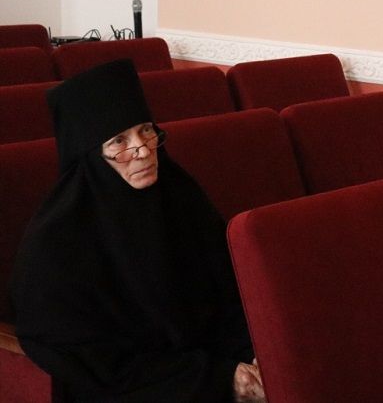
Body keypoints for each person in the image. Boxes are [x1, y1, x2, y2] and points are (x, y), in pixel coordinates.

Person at [11, 60, 266, 402]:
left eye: (146, 130)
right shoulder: (56, 244)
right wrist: (219, 379)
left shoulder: (182, 197)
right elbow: (95, 365)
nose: (143, 150)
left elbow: (232, 293)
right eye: (119, 141)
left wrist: (254, 354)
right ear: (91, 156)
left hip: (221, 367)